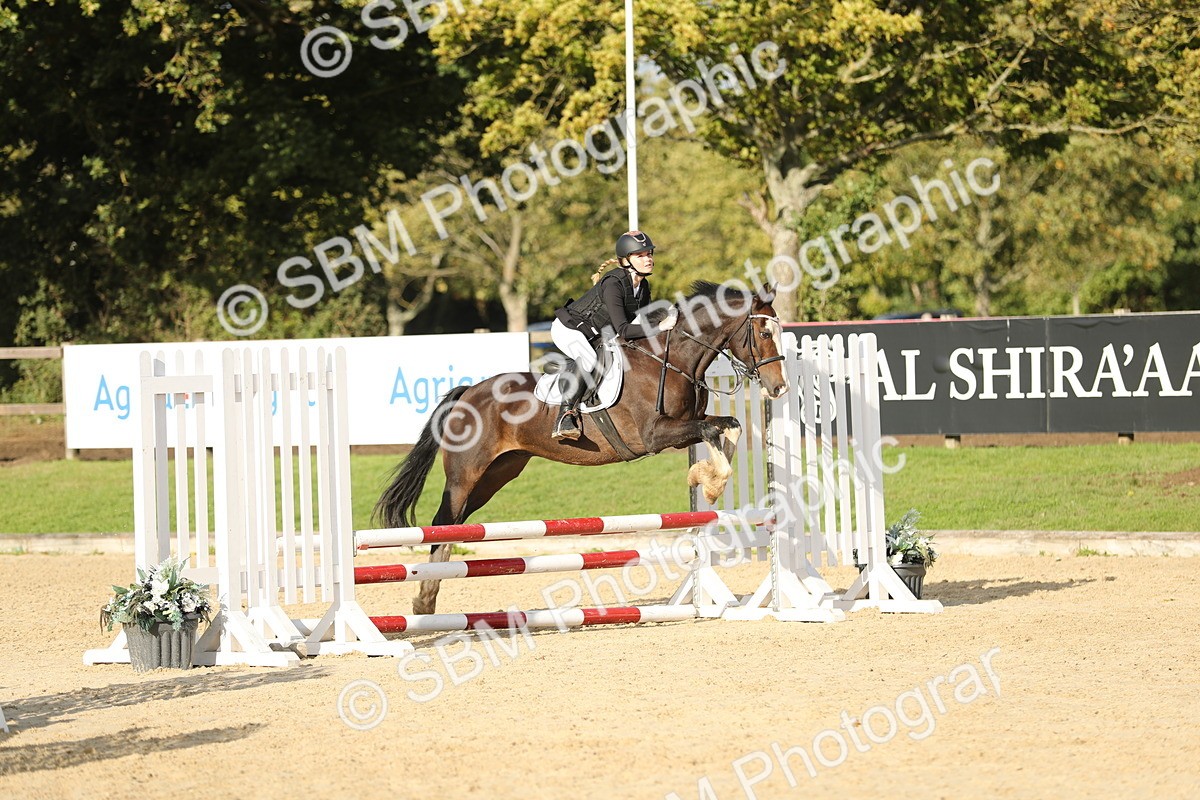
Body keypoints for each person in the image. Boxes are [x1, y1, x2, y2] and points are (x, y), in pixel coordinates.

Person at [550, 230, 678, 440]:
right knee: (589, 358)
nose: (648, 259)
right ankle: (565, 415)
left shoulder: (643, 287)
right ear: (626, 260)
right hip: (569, 328)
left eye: (649, 254)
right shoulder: (613, 283)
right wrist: (660, 327)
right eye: (641, 256)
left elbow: (640, 323)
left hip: (596, 335)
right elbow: (624, 330)